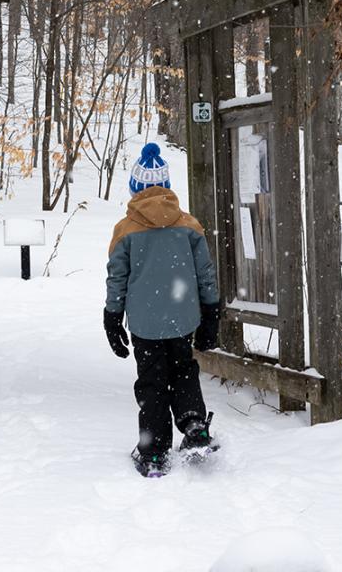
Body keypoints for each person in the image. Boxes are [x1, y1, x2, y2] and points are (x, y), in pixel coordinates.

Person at [103, 142, 221, 476]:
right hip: (182, 317)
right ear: (167, 187)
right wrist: (211, 312)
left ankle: (154, 453)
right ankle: (195, 426)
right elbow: (205, 275)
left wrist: (112, 316)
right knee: (183, 370)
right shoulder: (189, 225)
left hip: (144, 321)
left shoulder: (125, 230)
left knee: (152, 381)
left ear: (135, 188)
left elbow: (117, 279)